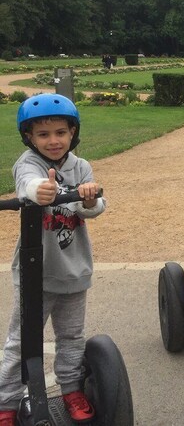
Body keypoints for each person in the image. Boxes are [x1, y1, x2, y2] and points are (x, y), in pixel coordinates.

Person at [0, 94, 106, 425]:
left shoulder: (81, 167)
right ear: (29, 137)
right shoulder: (27, 164)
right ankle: (6, 401)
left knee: (71, 337)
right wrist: (36, 192)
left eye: (61, 132)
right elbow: (28, 184)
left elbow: (98, 207)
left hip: (74, 271)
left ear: (73, 133)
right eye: (43, 134)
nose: (54, 140)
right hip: (36, 273)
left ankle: (72, 389)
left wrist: (88, 199)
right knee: (20, 342)